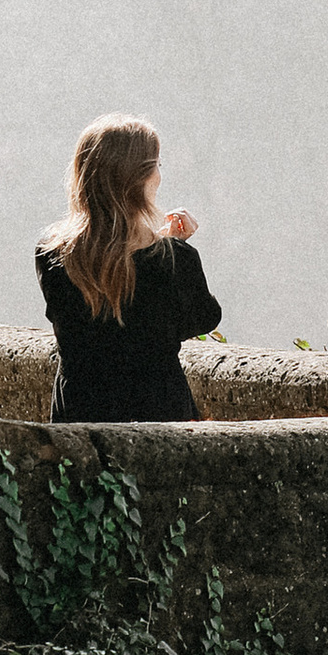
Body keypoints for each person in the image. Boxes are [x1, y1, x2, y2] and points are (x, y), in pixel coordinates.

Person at [36, 112, 222, 424]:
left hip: (80, 419)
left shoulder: (52, 254)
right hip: (157, 418)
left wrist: (160, 245)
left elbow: (110, 300)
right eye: (156, 166)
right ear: (141, 179)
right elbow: (203, 317)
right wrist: (172, 247)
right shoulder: (175, 261)